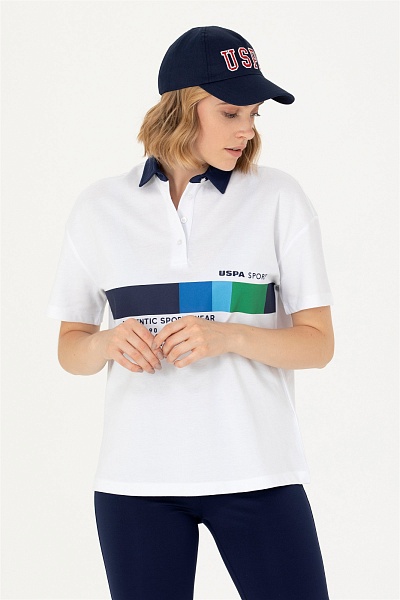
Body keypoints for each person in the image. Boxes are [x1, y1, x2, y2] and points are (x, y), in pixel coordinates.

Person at [47, 25, 334, 600]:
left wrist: (229, 337)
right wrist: (104, 343)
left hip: (258, 472)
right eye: (230, 112)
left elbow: (318, 343)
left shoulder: (278, 198)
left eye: (254, 114)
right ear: (180, 109)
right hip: (136, 484)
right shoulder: (100, 208)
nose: (247, 129)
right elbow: (70, 347)